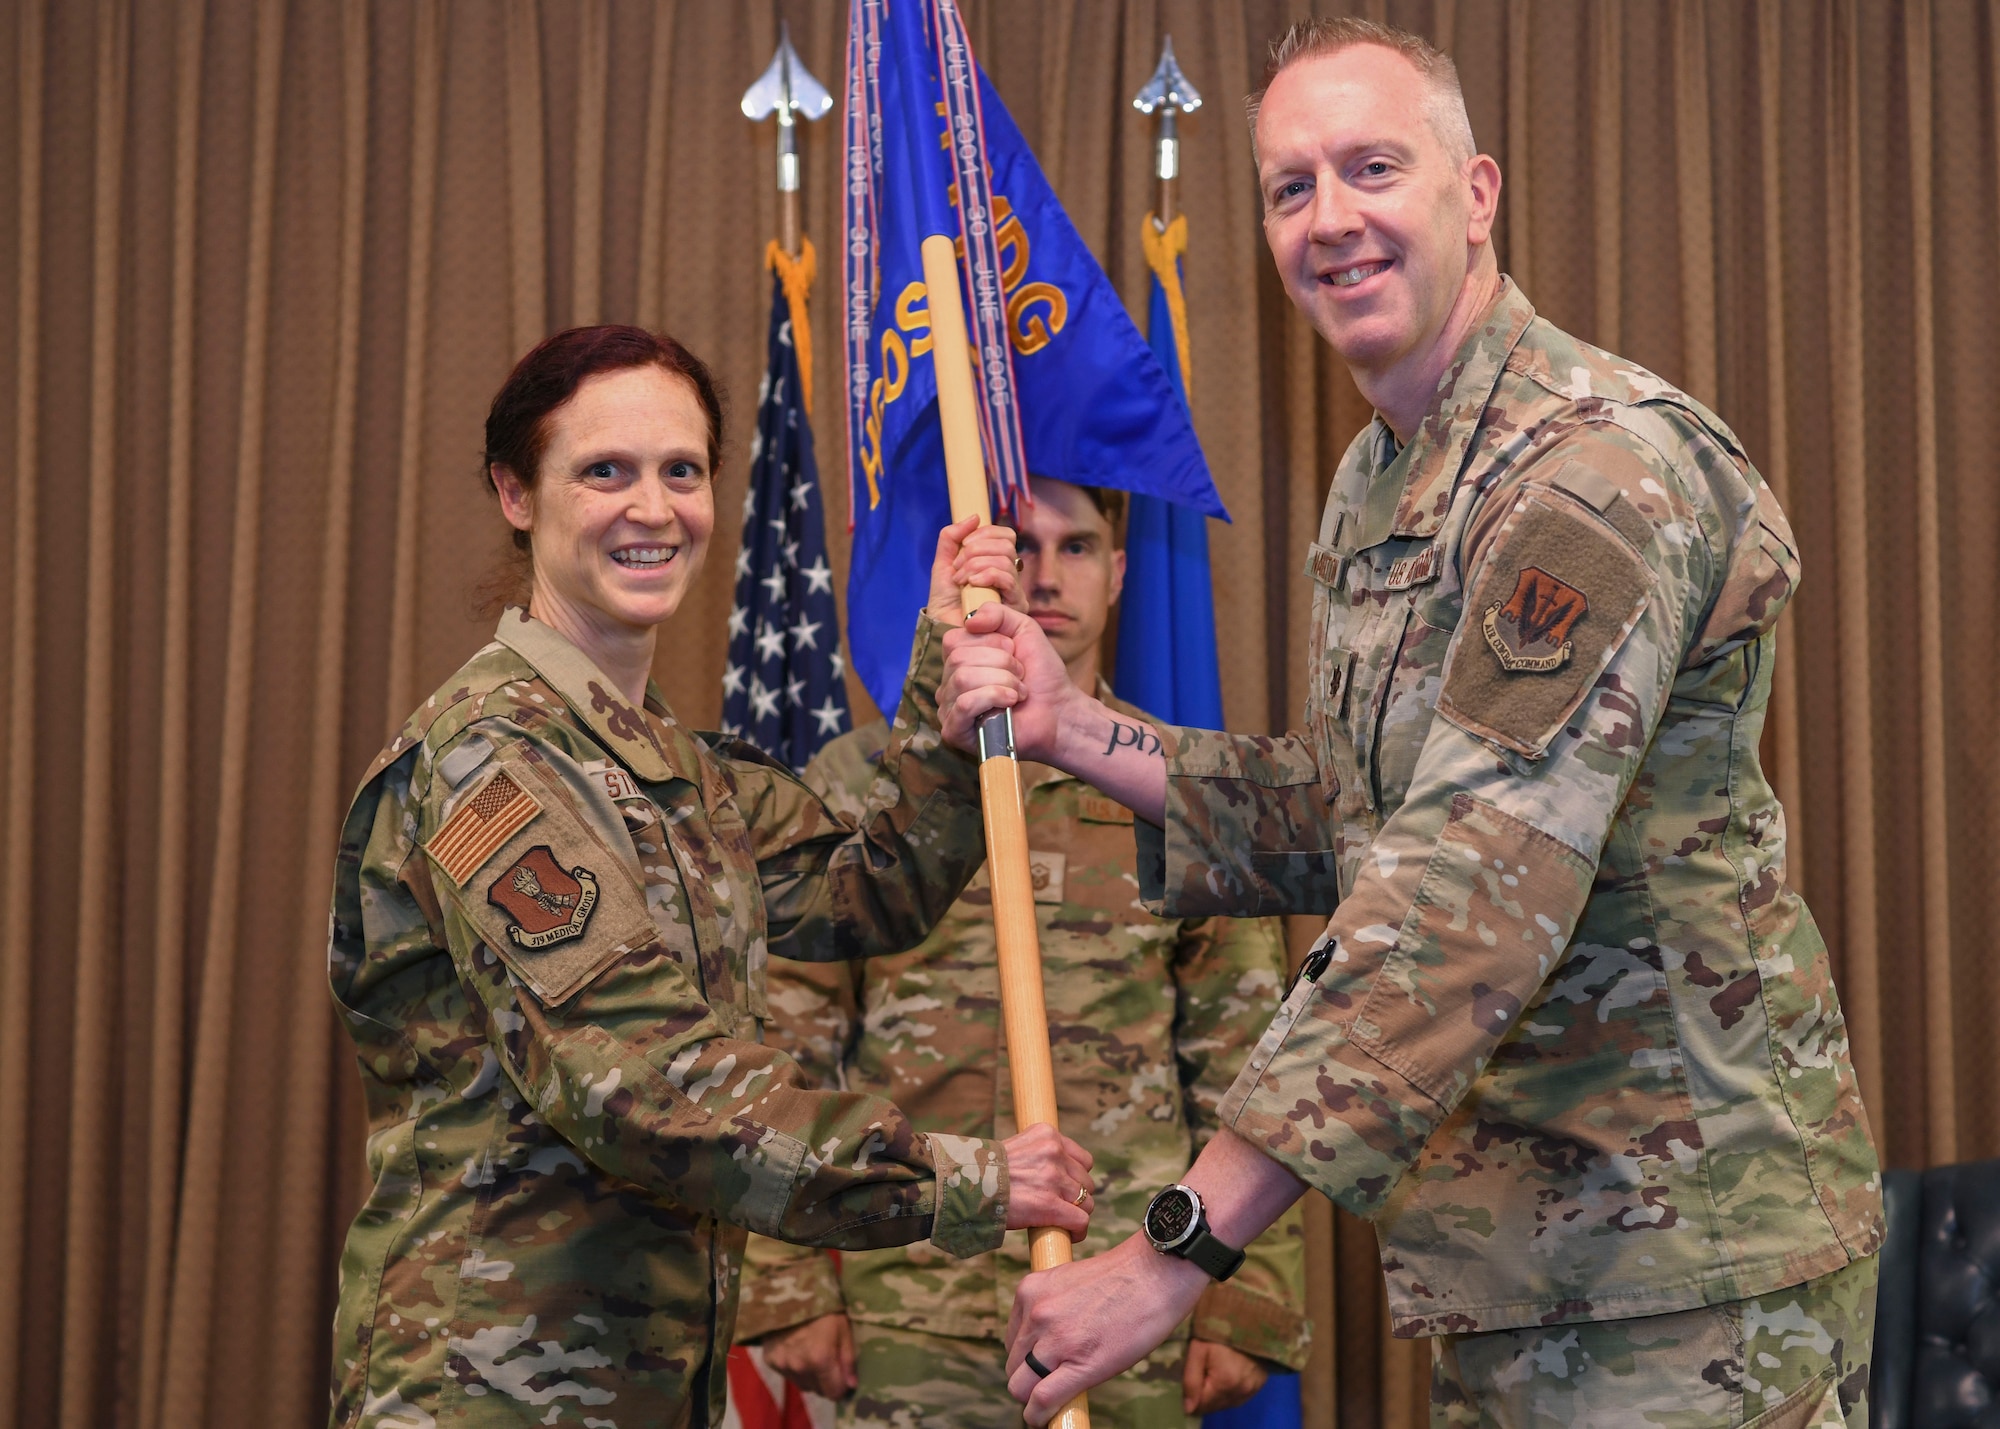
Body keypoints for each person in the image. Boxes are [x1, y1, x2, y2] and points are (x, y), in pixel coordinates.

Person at [938, 20, 1884, 1429]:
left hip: (1686, 1267)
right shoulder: (1381, 479)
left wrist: (1175, 1249)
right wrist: (1076, 725)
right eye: (1289, 186)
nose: (1332, 220)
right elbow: (1349, 816)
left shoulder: (1596, 469)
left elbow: (1463, 894)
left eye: (1371, 166)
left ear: (1477, 190)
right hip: (1511, 1260)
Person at [326, 325, 1097, 1429]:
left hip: (647, 1384)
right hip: (486, 1391)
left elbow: (873, 886)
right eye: (605, 471)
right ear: (514, 491)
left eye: (680, 471)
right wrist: (956, 1179)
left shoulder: (677, 771)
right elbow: (641, 1085)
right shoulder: (490, 756)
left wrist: (944, 674)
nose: (654, 508)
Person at [733, 478, 1310, 1428]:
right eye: (1022, 550)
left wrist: (1246, 1298)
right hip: (906, 1299)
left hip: (1129, 1297)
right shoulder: (868, 786)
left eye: (1076, 547)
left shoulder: (1184, 790)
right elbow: (783, 1045)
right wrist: (786, 1281)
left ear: (1120, 572)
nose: (1046, 577)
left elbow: (1251, 1058)